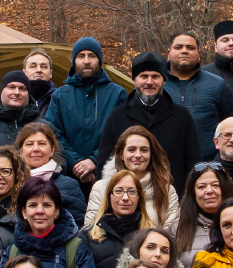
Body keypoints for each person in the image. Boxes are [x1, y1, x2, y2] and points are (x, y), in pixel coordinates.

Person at [96, 52, 202, 185]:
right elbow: (104, 163)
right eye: (144, 76)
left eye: (155, 76)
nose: (149, 82)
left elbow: (193, 164)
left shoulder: (182, 116)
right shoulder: (117, 117)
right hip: (127, 198)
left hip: (171, 196)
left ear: (164, 80)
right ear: (134, 80)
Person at [44, 36, 127, 189]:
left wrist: (94, 160)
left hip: (108, 177)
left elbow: (122, 134)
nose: (87, 61)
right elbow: (52, 134)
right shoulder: (60, 96)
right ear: (74, 61)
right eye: (81, 56)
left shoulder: (117, 95)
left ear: (100, 60)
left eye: (92, 56)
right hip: (68, 176)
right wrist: (75, 162)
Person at [86, 125, 179, 232]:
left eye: (144, 150)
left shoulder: (167, 191)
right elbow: (91, 233)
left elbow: (172, 236)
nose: (138, 155)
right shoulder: (101, 188)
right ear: (121, 154)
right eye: (131, 150)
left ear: (151, 155)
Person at [162, 30, 233, 160]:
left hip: (207, 166)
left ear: (199, 54)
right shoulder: (156, 85)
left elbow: (232, 125)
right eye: (178, 47)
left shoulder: (217, 85)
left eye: (190, 48)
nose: (184, 51)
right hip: (163, 165)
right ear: (168, 54)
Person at [82, 169, 147, 268]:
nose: (125, 197)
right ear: (109, 195)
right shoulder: (86, 236)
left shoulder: (152, 235)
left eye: (131, 191)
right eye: (118, 191)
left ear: (139, 197)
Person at [14, 121, 88, 225]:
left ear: (52, 150)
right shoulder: (12, 183)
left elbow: (79, 225)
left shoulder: (69, 185)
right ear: (21, 151)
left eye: (41, 143)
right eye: (29, 144)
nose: (35, 149)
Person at [173, 162, 233, 268]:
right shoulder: (176, 229)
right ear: (193, 192)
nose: (209, 191)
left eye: (215, 185)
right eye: (201, 187)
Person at [0, 71, 42, 152]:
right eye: (11, 87)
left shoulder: (44, 126)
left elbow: (57, 157)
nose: (17, 92)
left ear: (28, 94)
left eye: (22, 88)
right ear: (1, 92)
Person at [22, 47, 57, 118]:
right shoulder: (14, 99)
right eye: (33, 66)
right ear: (24, 73)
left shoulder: (60, 99)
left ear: (50, 73)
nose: (39, 70)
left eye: (43, 67)